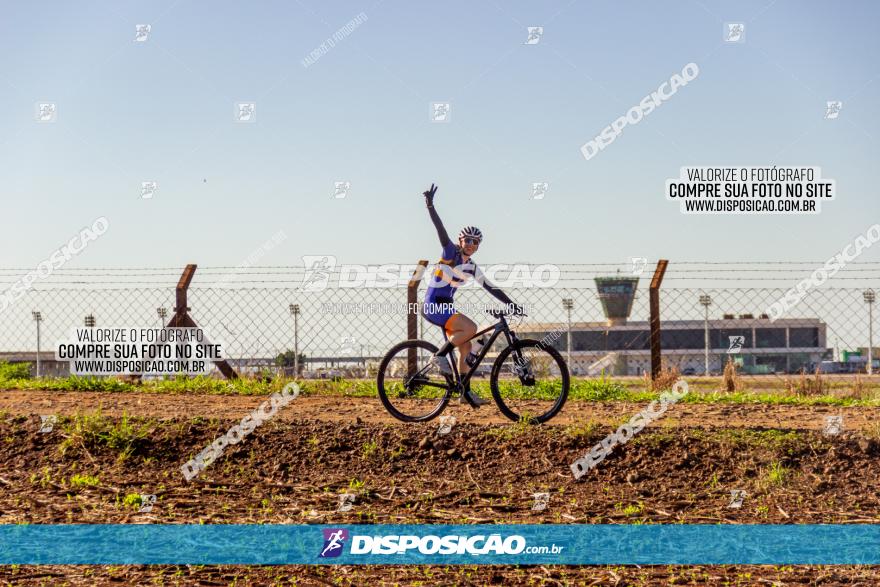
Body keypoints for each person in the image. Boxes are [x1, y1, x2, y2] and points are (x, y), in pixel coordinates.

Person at [420, 183, 522, 407]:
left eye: (476, 242)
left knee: (466, 347)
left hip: (446, 307)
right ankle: (438, 357)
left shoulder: (472, 266)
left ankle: (464, 393)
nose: (472, 245)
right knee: (471, 328)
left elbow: (490, 287)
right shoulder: (450, 253)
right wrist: (430, 206)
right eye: (468, 240)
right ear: (460, 241)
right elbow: (441, 231)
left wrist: (512, 304)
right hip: (433, 304)